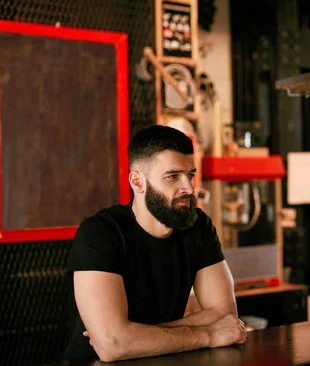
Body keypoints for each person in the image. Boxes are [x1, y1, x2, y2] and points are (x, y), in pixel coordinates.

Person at [64, 125, 246, 362]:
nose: (189, 188)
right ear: (138, 182)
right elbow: (113, 346)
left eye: (190, 175)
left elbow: (225, 315)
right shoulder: (100, 233)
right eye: (173, 176)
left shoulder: (198, 226)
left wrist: (136, 335)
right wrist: (209, 336)